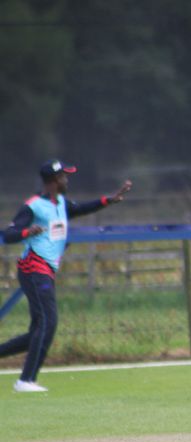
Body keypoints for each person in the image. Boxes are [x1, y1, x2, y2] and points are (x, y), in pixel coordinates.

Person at [0, 159, 132, 392]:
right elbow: (9, 234)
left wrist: (109, 200)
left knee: (38, 331)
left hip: (45, 270)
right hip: (33, 268)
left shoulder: (60, 202)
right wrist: (27, 231)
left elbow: (81, 208)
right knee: (47, 323)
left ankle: (22, 374)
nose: (67, 180)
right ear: (53, 181)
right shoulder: (33, 206)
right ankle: (26, 380)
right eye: (63, 176)